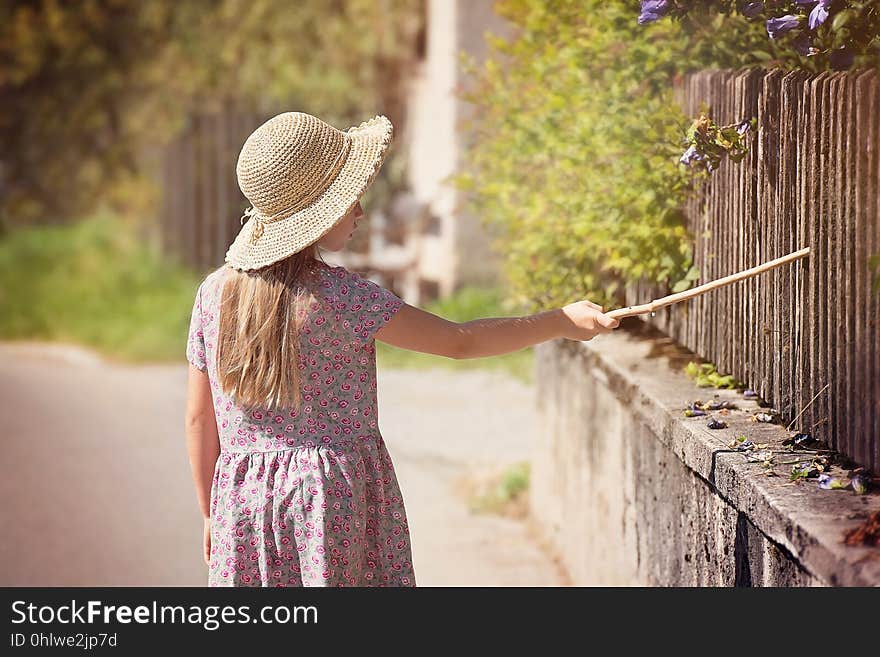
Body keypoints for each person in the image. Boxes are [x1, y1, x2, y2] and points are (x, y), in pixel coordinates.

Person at [184, 111, 620, 588]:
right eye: (349, 200)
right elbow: (460, 341)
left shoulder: (213, 294)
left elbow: (199, 419)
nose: (360, 213)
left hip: (240, 501)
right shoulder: (344, 298)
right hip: (330, 502)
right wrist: (559, 321)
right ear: (318, 214)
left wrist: (211, 510)